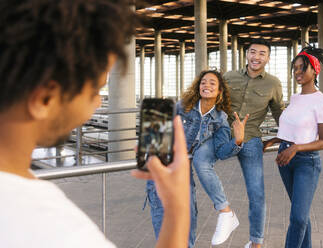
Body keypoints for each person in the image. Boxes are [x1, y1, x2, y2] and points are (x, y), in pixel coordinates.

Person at [0, 1, 190, 248]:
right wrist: (178, 207)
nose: (99, 101)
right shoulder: (52, 228)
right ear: (45, 98)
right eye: (95, 90)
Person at [146, 70, 249, 247]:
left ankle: (226, 213)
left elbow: (221, 152)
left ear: (219, 92)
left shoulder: (220, 119)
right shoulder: (182, 107)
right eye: (203, 82)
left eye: (212, 83)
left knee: (187, 227)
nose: (206, 85)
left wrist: (238, 140)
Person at [263, 45, 323, 248]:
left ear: (315, 70)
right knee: (299, 215)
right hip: (285, 160)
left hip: (306, 162)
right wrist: (273, 141)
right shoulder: (295, 98)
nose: (298, 72)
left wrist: (295, 148)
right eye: (295, 68)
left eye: (303, 68)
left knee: (299, 218)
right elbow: (291, 130)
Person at [223, 39, 285, 248]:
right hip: (224, 136)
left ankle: (256, 242)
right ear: (247, 54)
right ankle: (224, 213)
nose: (256, 57)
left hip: (250, 141)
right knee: (198, 167)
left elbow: (279, 114)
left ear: (267, 58)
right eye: (253, 52)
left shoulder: (273, 83)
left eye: (262, 53)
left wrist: (284, 138)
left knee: (257, 193)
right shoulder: (229, 77)